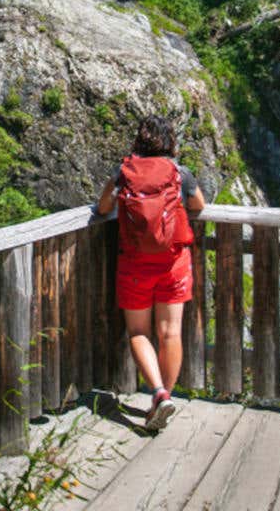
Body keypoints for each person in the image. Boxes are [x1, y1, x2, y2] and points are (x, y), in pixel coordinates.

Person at [95, 114, 205, 431]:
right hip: (173, 264)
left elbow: (103, 208)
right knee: (170, 333)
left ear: (139, 139)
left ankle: (157, 393)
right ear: (169, 140)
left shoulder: (125, 171)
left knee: (139, 333)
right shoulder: (178, 172)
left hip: (134, 264)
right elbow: (198, 204)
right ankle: (165, 397)